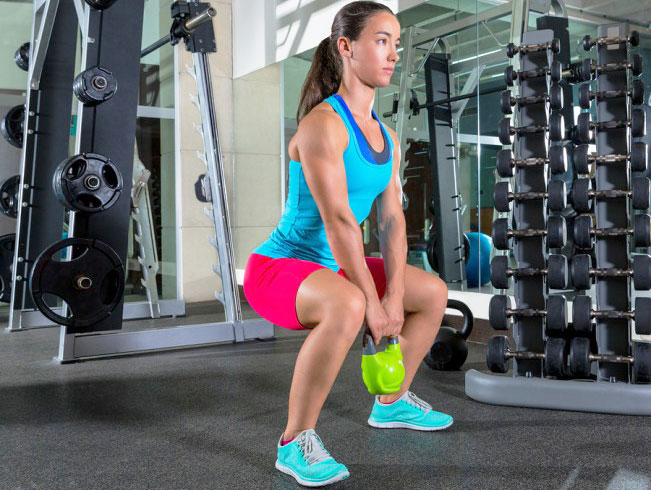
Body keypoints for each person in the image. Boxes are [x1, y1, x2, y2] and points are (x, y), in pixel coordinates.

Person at [243, 1, 450, 486]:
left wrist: (395, 294)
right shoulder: (322, 124)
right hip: (280, 268)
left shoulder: (387, 136)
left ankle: (392, 402)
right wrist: (374, 309)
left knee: (432, 292)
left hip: (334, 270)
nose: (393, 53)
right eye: (382, 40)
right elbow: (339, 222)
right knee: (352, 303)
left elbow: (392, 222)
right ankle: (295, 442)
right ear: (346, 47)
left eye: (396, 43)